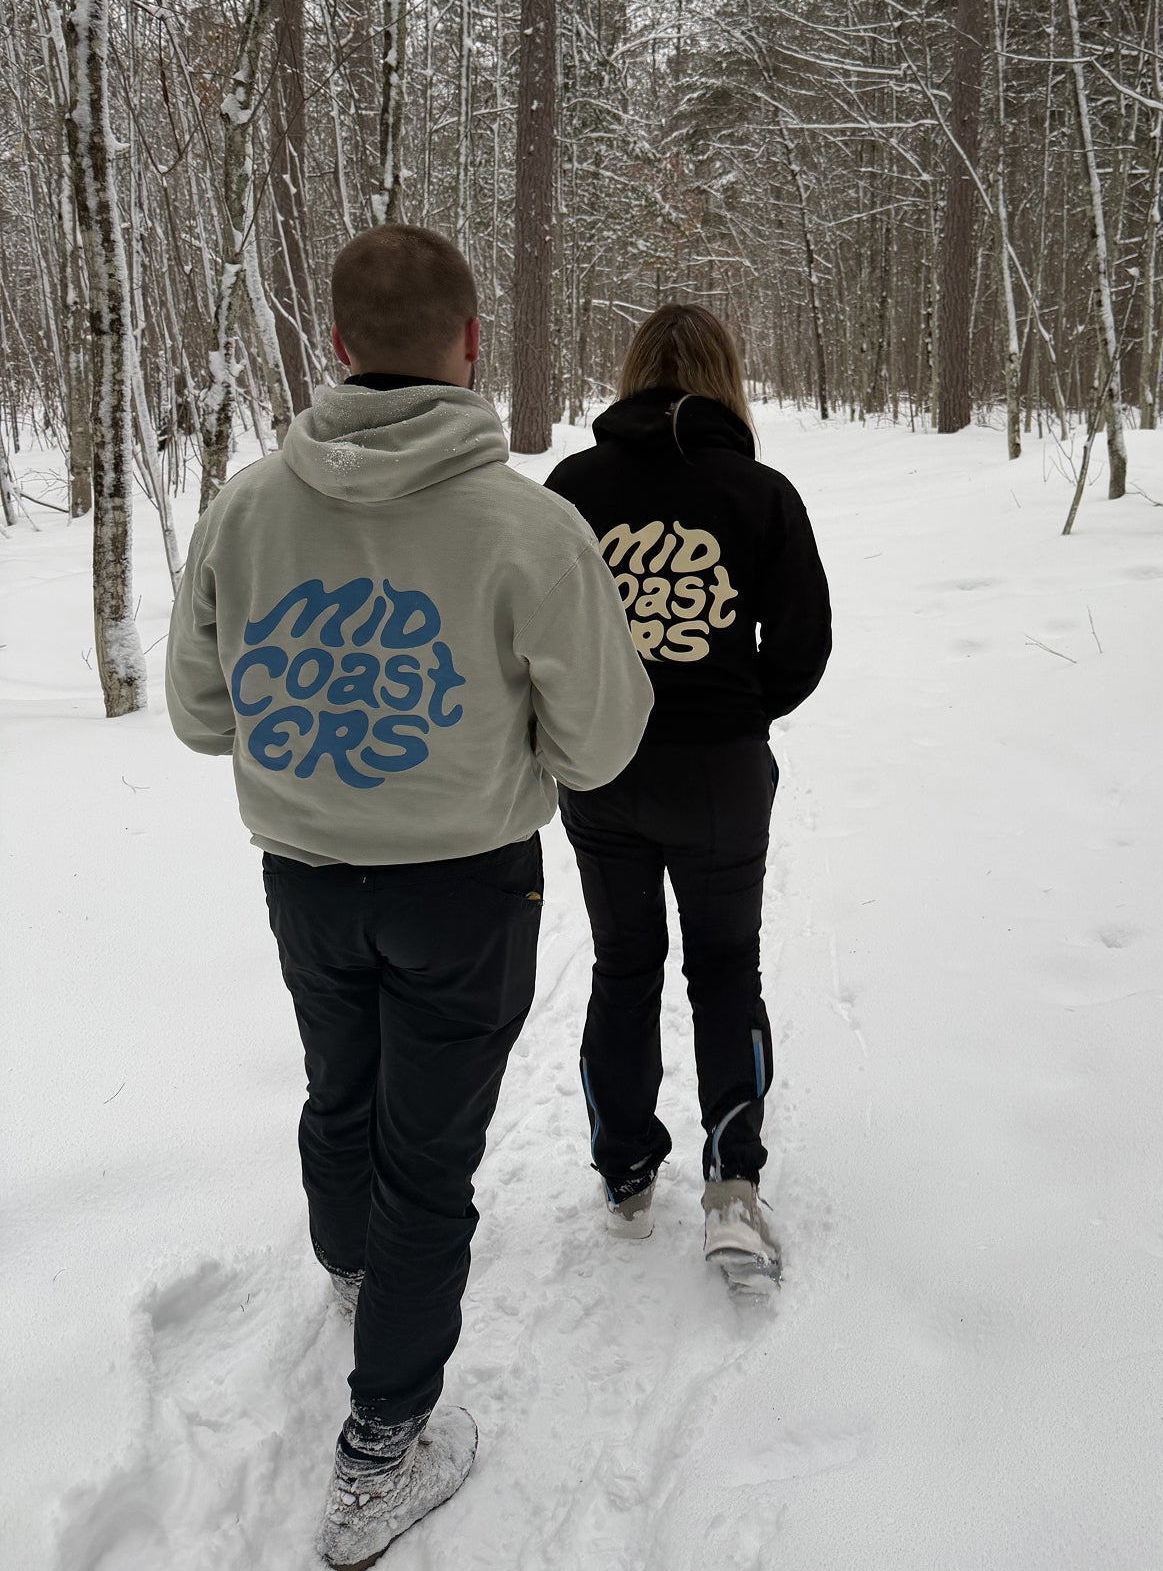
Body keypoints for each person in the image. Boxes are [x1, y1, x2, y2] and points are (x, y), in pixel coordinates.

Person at [165, 226, 651, 1569]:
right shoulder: (526, 526)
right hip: (462, 889)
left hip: (307, 879)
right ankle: (383, 1450)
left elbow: (204, 717)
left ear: (334, 345)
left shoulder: (248, 509)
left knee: (343, 1087)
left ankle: (355, 1263)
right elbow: (605, 742)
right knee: (428, 1159)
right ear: (470, 341)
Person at [546, 304, 832, 1285]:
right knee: (723, 967)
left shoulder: (574, 490)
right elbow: (803, 646)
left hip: (605, 769)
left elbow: (541, 637)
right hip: (719, 776)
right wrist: (737, 705)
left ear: (630, 374)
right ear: (726, 377)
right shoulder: (761, 494)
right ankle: (731, 1192)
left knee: (624, 964)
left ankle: (625, 1172)